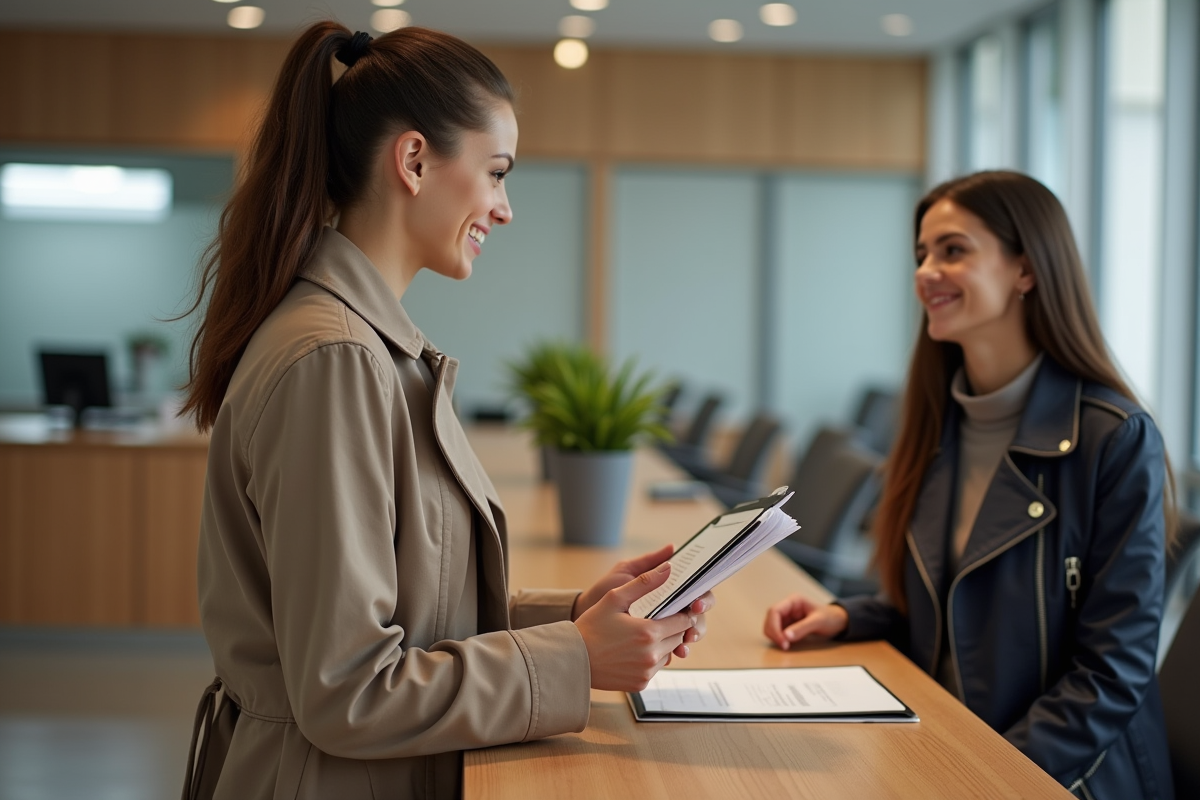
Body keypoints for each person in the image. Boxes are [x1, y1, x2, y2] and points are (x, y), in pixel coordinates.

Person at [178, 22, 712, 800]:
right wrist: (576, 659)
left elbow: (410, 613)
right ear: (415, 160)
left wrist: (576, 618)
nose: (504, 208)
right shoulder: (335, 361)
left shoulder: (363, 346)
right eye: (497, 173)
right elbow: (350, 691)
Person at [763, 171, 1175, 800]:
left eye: (953, 250)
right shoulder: (937, 421)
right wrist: (849, 614)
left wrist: (984, 773)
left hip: (1056, 775)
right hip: (942, 742)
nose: (927, 270)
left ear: (1026, 271)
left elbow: (1110, 676)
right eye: (922, 254)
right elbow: (955, 607)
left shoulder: (1114, 438)